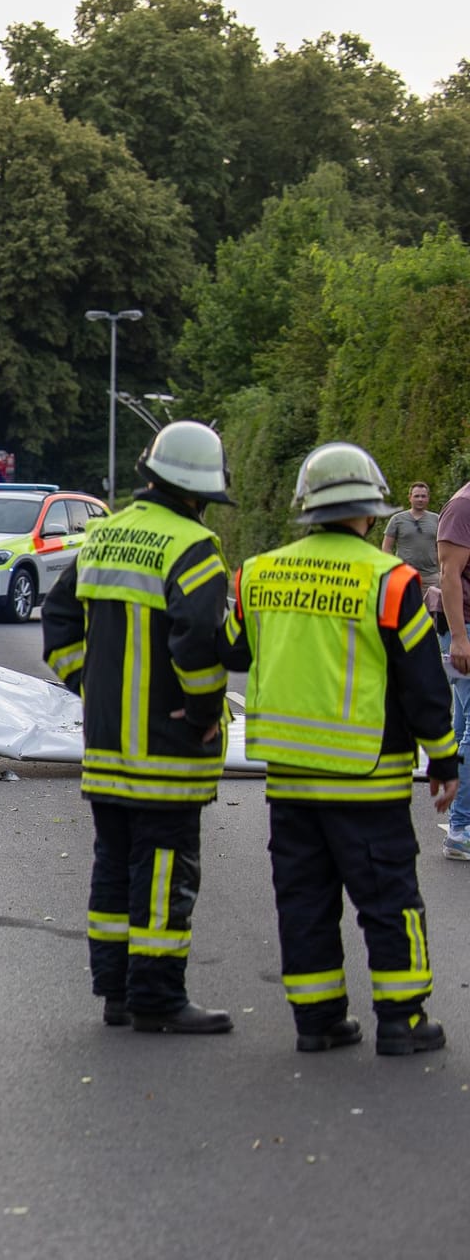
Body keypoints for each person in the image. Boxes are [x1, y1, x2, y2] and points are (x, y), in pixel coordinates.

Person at [221, 442, 457, 1055]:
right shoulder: (391, 580)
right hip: (367, 776)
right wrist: (446, 758)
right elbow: (422, 683)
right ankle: (402, 1023)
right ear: (372, 511)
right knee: (388, 900)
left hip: (291, 777)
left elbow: (233, 652)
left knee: (304, 900)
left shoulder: (259, 572)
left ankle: (318, 1022)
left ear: (306, 507)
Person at [42, 421, 236, 1035]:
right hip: (168, 752)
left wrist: (89, 686)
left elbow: (58, 620)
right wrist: (204, 714)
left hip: (105, 748)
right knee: (163, 875)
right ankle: (157, 998)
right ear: (199, 491)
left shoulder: (102, 537)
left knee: (115, 867)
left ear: (150, 475)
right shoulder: (194, 546)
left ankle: (118, 993)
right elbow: (201, 647)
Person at [433, 479, 470, 859]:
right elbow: (448, 574)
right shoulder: (463, 507)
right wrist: (459, 638)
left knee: (462, 721)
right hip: (466, 630)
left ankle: (453, 795)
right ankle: (461, 828)